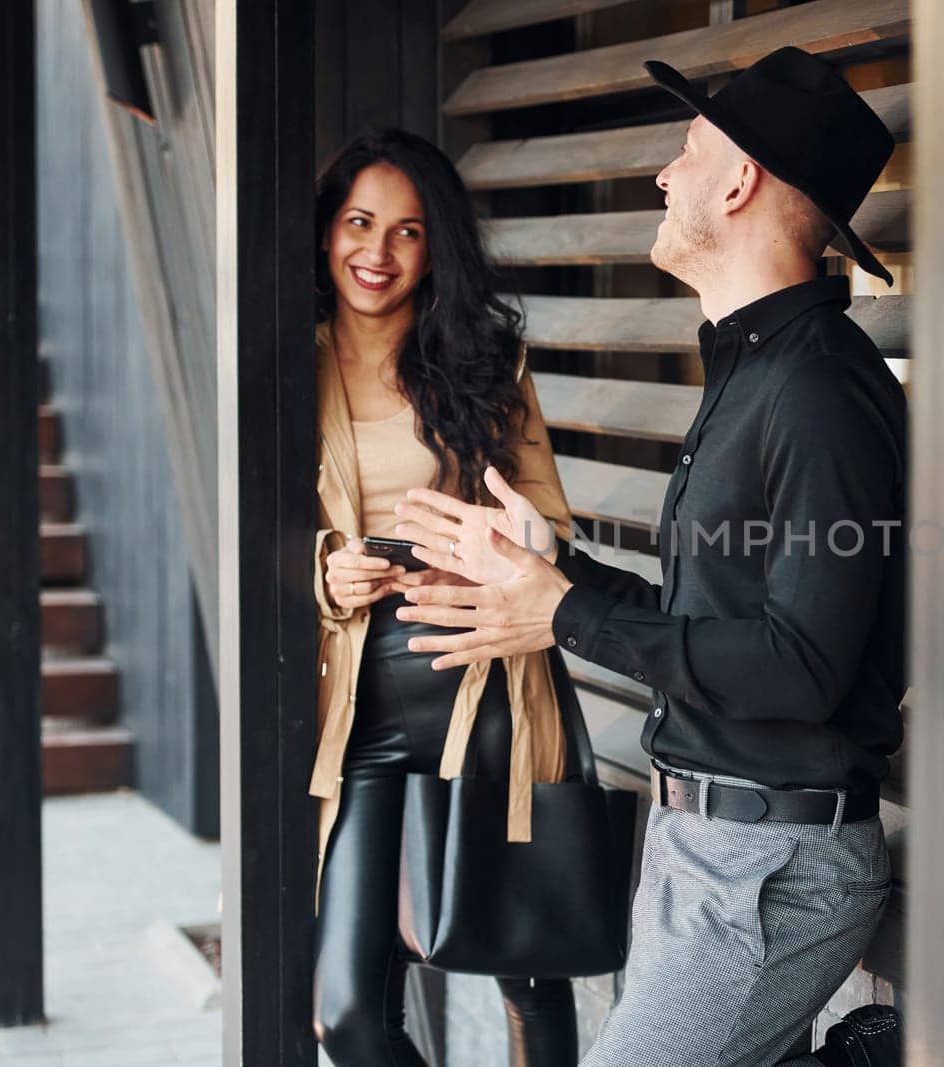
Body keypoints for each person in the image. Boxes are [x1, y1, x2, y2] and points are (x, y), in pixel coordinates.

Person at [391, 49, 906, 1067]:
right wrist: (553, 573)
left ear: (740, 179)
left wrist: (564, 614)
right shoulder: (755, 368)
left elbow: (801, 667)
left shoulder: (816, 393)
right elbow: (716, 621)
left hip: (769, 863)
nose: (664, 177)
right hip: (700, 844)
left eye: (684, 151)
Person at [310, 129, 581, 1066]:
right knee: (346, 1012)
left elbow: (551, 524)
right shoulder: (286, 366)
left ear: (438, 248)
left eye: (407, 231)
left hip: (489, 688)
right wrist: (328, 570)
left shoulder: (484, 362)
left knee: (530, 976)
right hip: (361, 711)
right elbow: (255, 532)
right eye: (358, 222)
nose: (376, 253)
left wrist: (489, 553)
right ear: (325, 229)